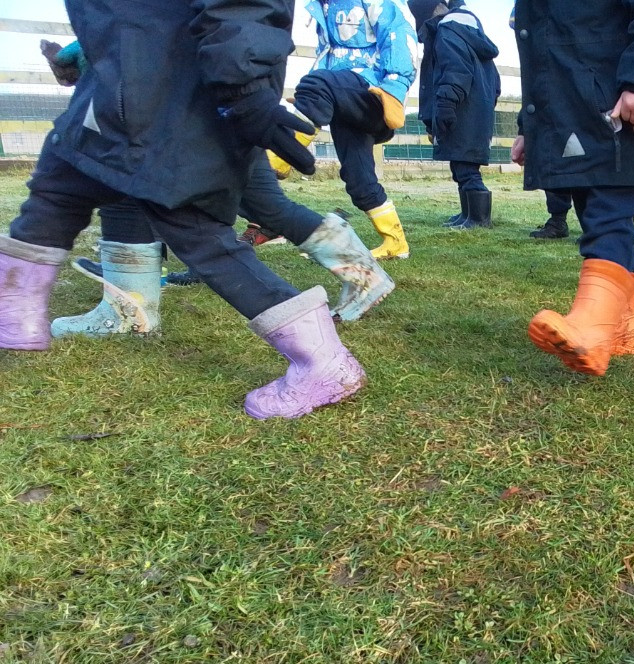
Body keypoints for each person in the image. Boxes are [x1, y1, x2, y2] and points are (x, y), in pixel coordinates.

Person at [1, 0, 365, 420]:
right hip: (131, 85)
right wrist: (79, 56)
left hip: (177, 96)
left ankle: (330, 347)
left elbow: (240, 8)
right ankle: (18, 308)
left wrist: (245, 91)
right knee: (61, 183)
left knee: (195, 226)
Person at [40, 42, 394, 326]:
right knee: (267, 206)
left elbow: (100, 45)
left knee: (123, 192)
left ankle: (128, 312)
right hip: (231, 109)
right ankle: (365, 275)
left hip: (171, 118)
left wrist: (64, 58)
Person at [511, 1, 634, 376]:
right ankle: (623, 329)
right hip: (567, 111)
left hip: (619, 103)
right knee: (594, 215)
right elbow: (540, 52)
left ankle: (591, 328)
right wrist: (531, 129)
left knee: (609, 215)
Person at [292, 0, 418, 260]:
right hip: (342, 97)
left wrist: (395, 88)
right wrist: (313, 100)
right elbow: (327, 54)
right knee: (358, 179)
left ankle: (281, 156)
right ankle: (395, 243)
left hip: (372, 93)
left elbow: (398, 33)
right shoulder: (323, 8)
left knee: (316, 84)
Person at [409, 0, 500, 230]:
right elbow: (495, 83)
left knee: (467, 169)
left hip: (462, 109)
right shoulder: (470, 31)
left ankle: (479, 219)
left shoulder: (449, 30)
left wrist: (446, 104)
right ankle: (467, 214)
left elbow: (454, 70)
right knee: (461, 164)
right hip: (475, 109)